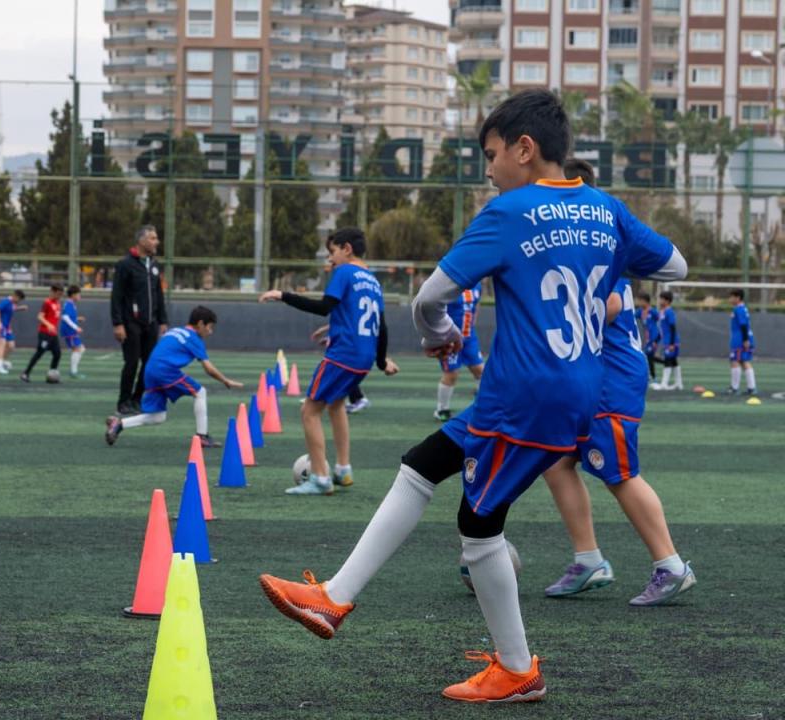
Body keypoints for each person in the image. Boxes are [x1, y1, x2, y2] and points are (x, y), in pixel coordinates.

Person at [256, 89, 686, 703]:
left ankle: (514, 670)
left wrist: (444, 336)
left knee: (478, 526)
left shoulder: (510, 212)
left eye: (491, 154)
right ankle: (334, 597)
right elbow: (676, 267)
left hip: (526, 394)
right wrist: (609, 277)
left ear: (525, 148)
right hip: (571, 389)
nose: (487, 170)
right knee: (423, 463)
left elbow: (428, 299)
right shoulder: (606, 209)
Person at [542, 162, 694, 606]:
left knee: (618, 473)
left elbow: (608, 303)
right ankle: (588, 559)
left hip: (612, 381)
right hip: (590, 379)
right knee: (556, 462)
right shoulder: (589, 241)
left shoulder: (598, 242)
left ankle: (671, 565)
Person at [259, 227, 399, 495]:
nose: (330, 258)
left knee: (309, 411)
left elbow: (324, 306)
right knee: (336, 406)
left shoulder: (344, 272)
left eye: (332, 251)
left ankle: (321, 478)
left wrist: (283, 295)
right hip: (363, 358)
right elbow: (381, 326)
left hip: (343, 355)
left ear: (346, 249)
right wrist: (380, 361)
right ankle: (343, 469)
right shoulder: (372, 280)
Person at [105, 306, 242, 447]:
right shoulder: (194, 338)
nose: (210, 332)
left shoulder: (175, 330)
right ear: (201, 324)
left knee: (158, 416)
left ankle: (119, 424)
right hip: (165, 371)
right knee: (200, 392)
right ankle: (202, 436)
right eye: (210, 327)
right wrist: (225, 380)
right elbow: (208, 368)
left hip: (150, 371)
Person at [111, 225, 168, 415]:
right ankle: (123, 401)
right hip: (130, 323)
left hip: (150, 323)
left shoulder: (154, 265)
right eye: (152, 238)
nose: (156, 242)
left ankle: (137, 399)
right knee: (132, 362)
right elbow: (116, 296)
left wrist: (162, 320)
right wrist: (118, 323)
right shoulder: (125, 264)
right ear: (142, 241)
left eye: (156, 238)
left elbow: (158, 294)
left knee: (150, 363)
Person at [435, 284, 485, 422]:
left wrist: (472, 324)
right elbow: (435, 308)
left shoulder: (477, 286)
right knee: (451, 374)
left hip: (469, 337)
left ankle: (482, 405)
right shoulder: (449, 283)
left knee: (481, 371)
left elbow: (476, 305)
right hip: (449, 338)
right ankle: (441, 410)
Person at [20, 284, 63, 383]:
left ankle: (51, 375)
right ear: (52, 291)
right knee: (39, 353)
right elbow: (40, 316)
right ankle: (25, 373)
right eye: (58, 294)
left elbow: (56, 317)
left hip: (53, 334)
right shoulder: (47, 302)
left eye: (61, 294)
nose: (59, 296)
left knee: (57, 354)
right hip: (45, 334)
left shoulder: (58, 303)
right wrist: (48, 324)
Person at [726, 288, 757, 396]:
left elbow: (743, 325)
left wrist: (745, 340)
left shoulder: (738, 309)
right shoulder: (742, 308)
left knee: (735, 361)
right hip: (742, 338)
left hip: (740, 340)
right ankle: (751, 387)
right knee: (744, 362)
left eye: (731, 297)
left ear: (737, 298)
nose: (729, 299)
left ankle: (735, 388)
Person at [0, 289, 27, 375]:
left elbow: (12, 309)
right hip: (1, 326)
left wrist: (20, 308)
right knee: (2, 345)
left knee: (11, 346)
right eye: (19, 299)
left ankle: (1, 361)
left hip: (7, 327)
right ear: (15, 296)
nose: (19, 301)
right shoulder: (6, 301)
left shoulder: (12, 304)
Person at [653, 290, 682, 390]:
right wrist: (656, 341)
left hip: (671, 341)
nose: (660, 300)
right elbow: (662, 329)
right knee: (673, 361)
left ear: (667, 301)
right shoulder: (662, 312)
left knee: (668, 361)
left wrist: (672, 343)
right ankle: (679, 384)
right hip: (666, 340)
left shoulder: (669, 311)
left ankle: (664, 384)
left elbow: (673, 327)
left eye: (662, 299)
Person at [61, 285, 86, 378]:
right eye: (78, 294)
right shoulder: (68, 304)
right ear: (73, 295)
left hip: (71, 330)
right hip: (69, 331)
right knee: (77, 349)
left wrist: (77, 319)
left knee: (81, 349)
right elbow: (65, 317)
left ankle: (74, 370)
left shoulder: (71, 304)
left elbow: (69, 317)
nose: (80, 296)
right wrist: (76, 327)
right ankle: (73, 372)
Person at [636, 291, 660, 380]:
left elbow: (659, 321)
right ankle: (667, 363)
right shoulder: (640, 312)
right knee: (648, 356)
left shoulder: (653, 311)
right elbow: (632, 315)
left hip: (654, 337)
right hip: (647, 338)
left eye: (640, 301)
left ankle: (653, 376)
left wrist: (656, 340)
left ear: (645, 301)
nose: (639, 303)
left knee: (649, 356)